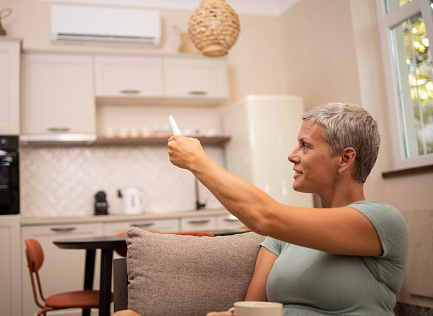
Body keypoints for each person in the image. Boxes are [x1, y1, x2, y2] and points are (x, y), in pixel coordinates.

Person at [116, 102, 409, 316]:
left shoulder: (382, 222)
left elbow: (264, 216)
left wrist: (196, 160)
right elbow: (253, 309)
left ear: (344, 159)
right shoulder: (284, 235)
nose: (292, 155)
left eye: (305, 146)